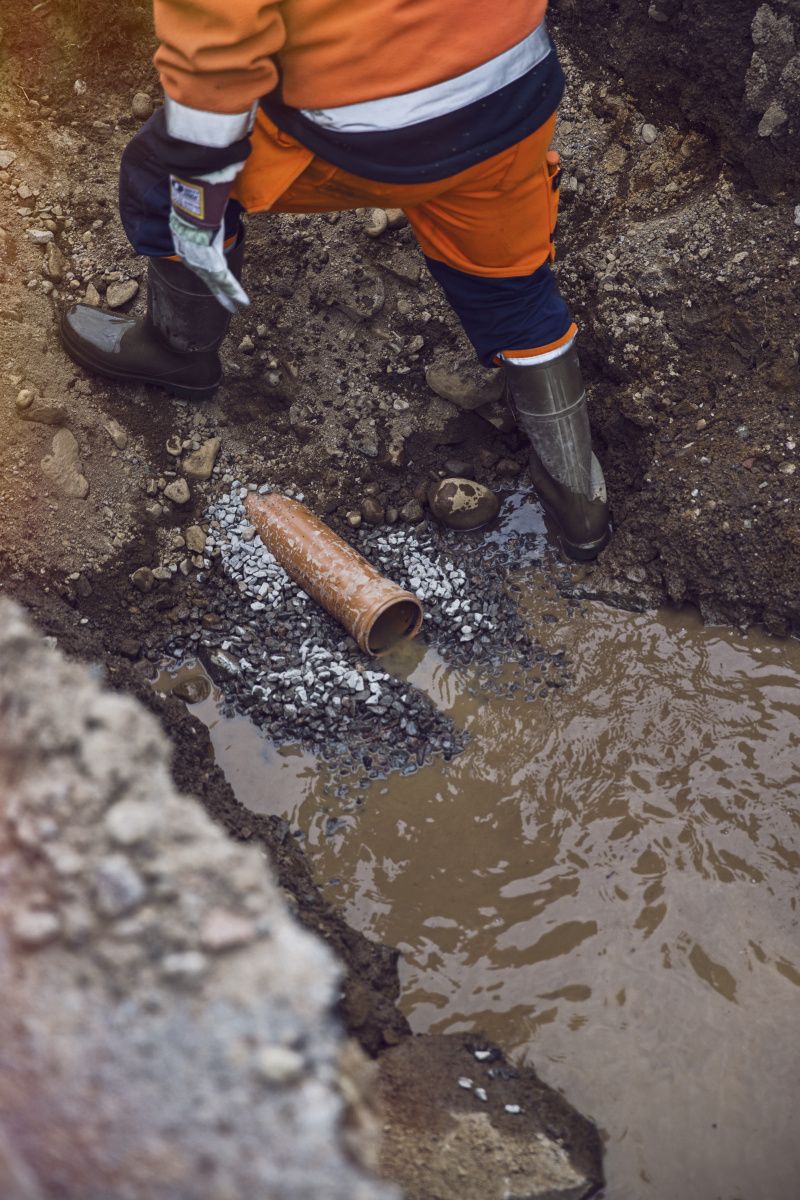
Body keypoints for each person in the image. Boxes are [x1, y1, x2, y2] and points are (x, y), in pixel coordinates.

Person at [60, 0, 610, 560]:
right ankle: (579, 505)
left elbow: (217, 55)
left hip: (366, 133)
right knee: (508, 282)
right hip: (516, 97)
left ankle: (175, 352)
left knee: (163, 182)